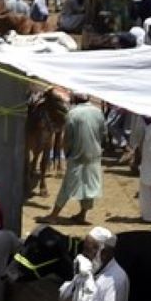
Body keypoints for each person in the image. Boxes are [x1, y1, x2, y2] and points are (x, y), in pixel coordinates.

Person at [58, 227, 130, 301]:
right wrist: (78, 278)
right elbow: (63, 298)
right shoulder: (88, 268)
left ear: (104, 253)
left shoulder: (116, 279)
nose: (84, 255)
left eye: (88, 250)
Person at [44, 93, 105, 224]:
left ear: (75, 99)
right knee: (89, 185)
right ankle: (82, 215)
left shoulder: (72, 114)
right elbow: (103, 133)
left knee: (67, 186)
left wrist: (67, 153)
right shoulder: (98, 112)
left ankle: (54, 216)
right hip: (94, 155)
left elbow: (67, 139)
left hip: (77, 155)